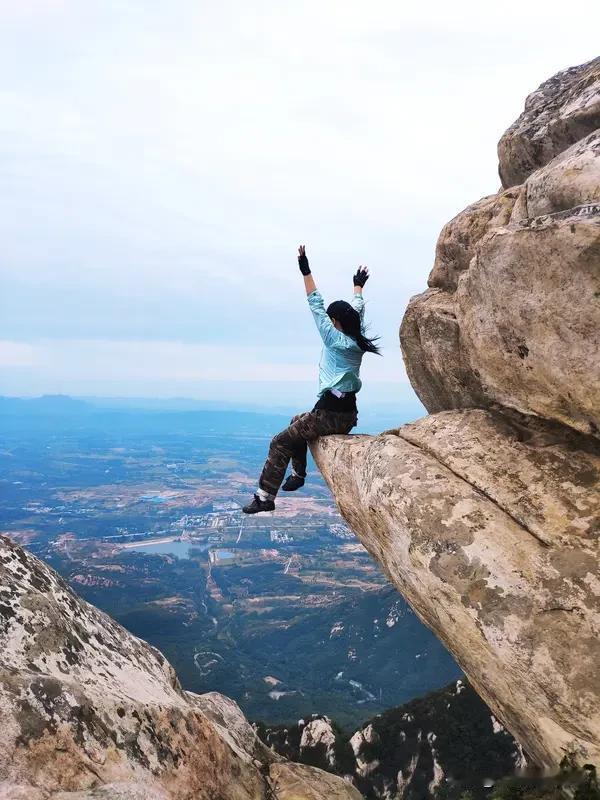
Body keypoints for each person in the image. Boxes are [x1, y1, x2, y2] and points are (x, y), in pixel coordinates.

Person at [242, 245, 380, 514]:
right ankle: (298, 475)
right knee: (297, 421)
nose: (327, 321)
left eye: (331, 319)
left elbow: (315, 303)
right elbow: (357, 309)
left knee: (279, 442)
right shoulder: (355, 337)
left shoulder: (335, 339)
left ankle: (264, 497)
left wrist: (305, 270)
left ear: (335, 321)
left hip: (328, 413)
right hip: (347, 412)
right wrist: (358, 287)